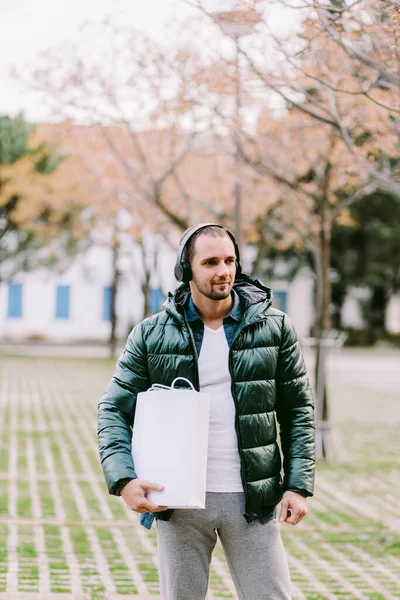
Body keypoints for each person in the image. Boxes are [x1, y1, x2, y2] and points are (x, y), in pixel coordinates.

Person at [98, 223, 315, 600]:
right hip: (178, 498)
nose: (224, 271)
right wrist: (124, 480)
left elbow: (298, 411)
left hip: (252, 498)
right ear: (186, 269)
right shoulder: (151, 334)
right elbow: (113, 410)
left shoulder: (274, 328)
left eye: (230, 260)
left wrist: (297, 486)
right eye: (211, 261)